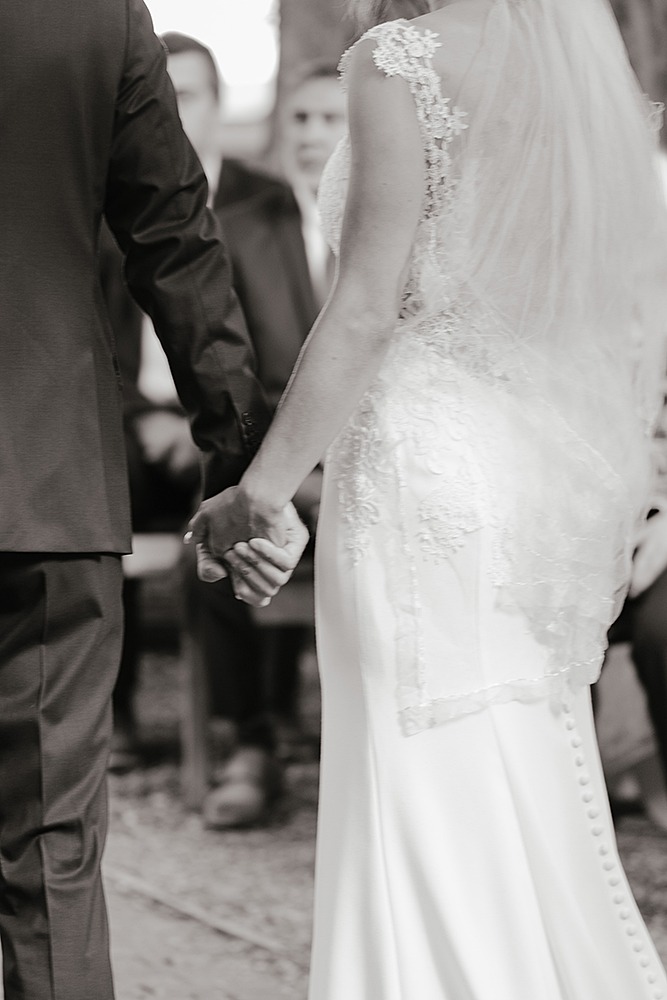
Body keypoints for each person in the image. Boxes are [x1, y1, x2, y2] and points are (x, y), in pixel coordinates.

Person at [190, 0, 667, 997]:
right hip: (534, 473)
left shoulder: (398, 62)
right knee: (522, 752)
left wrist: (258, 493)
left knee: (413, 764)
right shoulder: (580, 85)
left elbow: (363, 307)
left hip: (422, 474)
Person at [0, 3, 304, 999]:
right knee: (51, 853)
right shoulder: (92, 14)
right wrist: (238, 466)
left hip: (54, 488)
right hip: (46, 484)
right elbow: (176, 235)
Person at [197, 60, 346, 829]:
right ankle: (247, 741)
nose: (314, 136)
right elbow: (237, 374)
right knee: (223, 509)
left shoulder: (410, 231)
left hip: (384, 466)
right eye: (300, 119)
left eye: (333, 118)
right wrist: (293, 475)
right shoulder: (241, 233)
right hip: (283, 462)